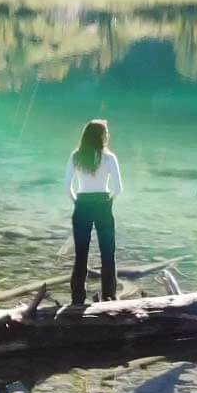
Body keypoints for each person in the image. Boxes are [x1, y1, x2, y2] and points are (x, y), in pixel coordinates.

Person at [66, 119, 124, 306]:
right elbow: (119, 189)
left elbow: (67, 186)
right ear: (101, 136)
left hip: (82, 203)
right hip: (103, 204)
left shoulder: (76, 156)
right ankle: (109, 296)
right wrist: (108, 201)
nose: (108, 136)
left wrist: (77, 201)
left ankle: (77, 299)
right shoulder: (109, 158)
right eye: (106, 133)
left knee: (81, 255)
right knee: (108, 253)